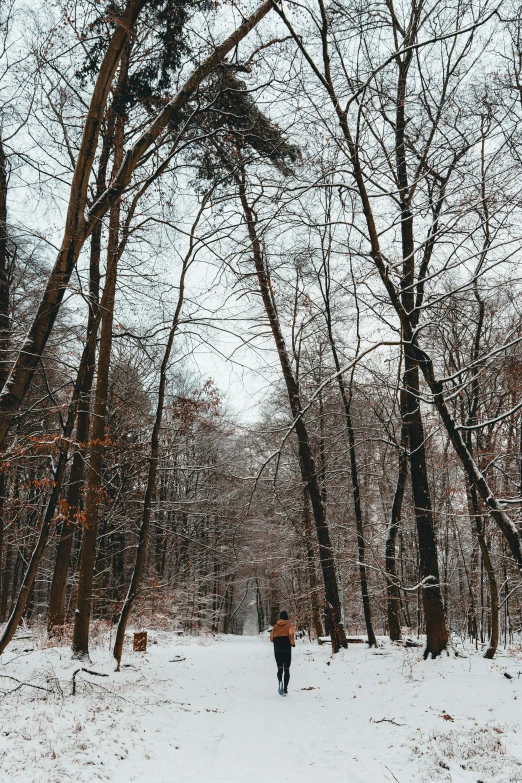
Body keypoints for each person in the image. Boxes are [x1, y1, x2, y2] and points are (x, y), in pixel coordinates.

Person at [270, 610, 295, 695]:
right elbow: (291, 634)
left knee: (280, 668)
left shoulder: (275, 626)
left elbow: (271, 638)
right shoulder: (289, 626)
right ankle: (285, 688)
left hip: (277, 649)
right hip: (287, 649)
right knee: (287, 669)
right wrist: (292, 643)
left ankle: (280, 681)